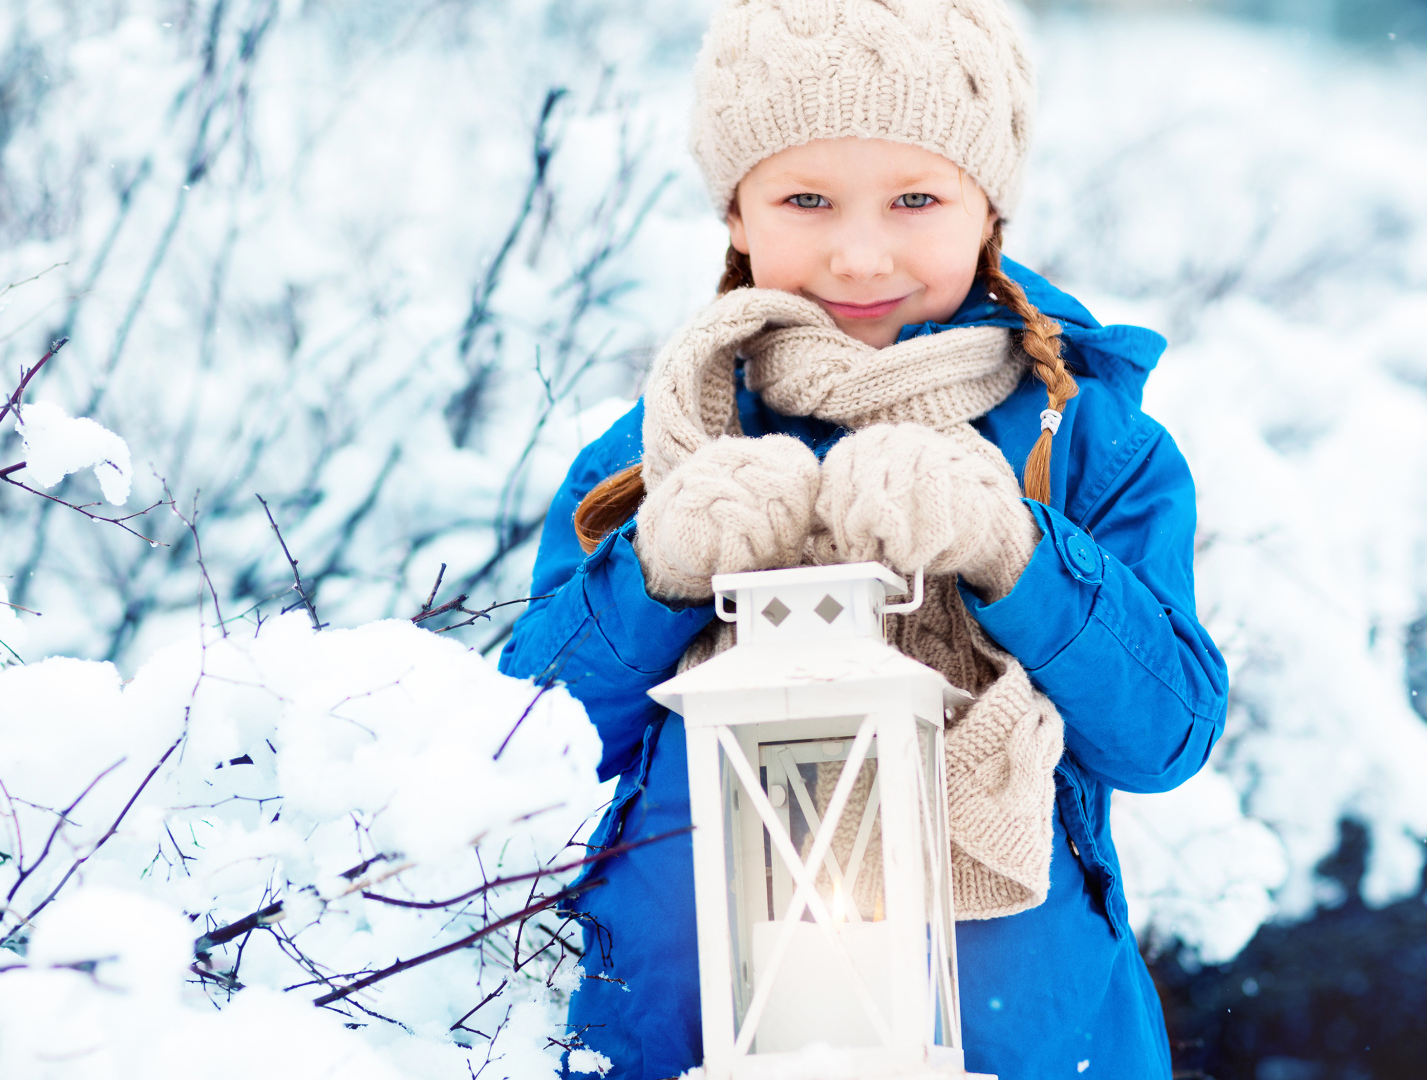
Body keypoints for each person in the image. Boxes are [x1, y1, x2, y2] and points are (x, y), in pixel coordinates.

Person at [496, 2, 1229, 1078]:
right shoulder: (656, 446)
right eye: (806, 198)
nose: (859, 249)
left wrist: (1012, 550)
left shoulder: (1087, 440)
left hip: (1019, 1046)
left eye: (916, 197)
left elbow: (1164, 735)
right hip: (674, 1040)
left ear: (989, 208)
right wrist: (655, 572)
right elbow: (520, 754)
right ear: (737, 215)